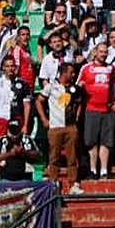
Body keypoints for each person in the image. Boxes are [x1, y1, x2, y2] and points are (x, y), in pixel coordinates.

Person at [36, 61, 83, 194]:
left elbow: (79, 102)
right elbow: (39, 101)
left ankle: (73, 184)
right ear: (63, 73)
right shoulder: (51, 87)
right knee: (54, 157)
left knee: (72, 157)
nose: (73, 75)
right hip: (55, 126)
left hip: (70, 126)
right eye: (71, 72)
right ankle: (53, 184)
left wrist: (77, 117)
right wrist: (44, 119)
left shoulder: (74, 88)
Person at [77, 42, 115, 180]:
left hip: (108, 110)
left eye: (105, 52)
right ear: (95, 52)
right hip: (91, 109)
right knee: (91, 141)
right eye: (101, 52)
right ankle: (92, 169)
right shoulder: (86, 68)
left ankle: (103, 170)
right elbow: (79, 84)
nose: (103, 54)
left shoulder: (111, 68)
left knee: (106, 141)